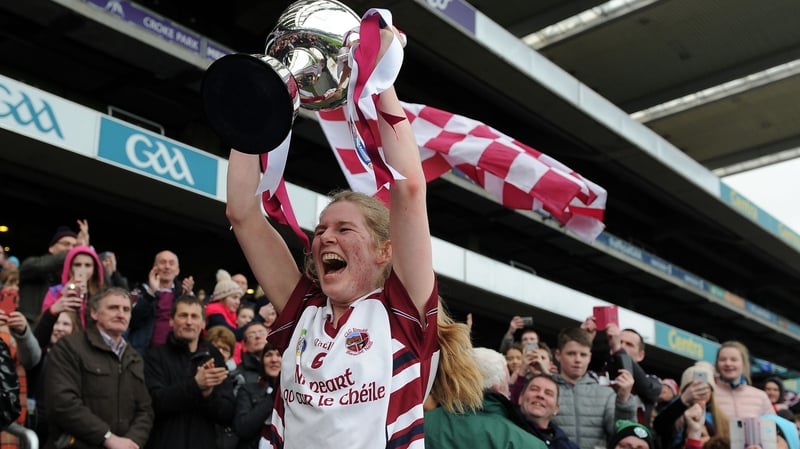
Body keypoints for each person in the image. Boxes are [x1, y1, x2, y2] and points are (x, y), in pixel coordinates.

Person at [226, 25, 439, 449]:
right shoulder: (303, 310)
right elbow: (242, 213)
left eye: (344, 229)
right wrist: (255, 107)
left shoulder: (403, 313)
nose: (324, 238)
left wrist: (381, 80)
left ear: (385, 250)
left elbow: (409, 187)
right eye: (321, 229)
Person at [44, 287, 153, 449]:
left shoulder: (134, 357)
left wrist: (132, 442)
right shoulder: (69, 347)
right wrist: (107, 438)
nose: (121, 314)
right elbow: (63, 403)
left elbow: (145, 410)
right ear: (94, 313)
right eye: (113, 308)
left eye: (126, 310)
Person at [143, 295, 235, 449]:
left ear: (203, 322)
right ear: (171, 321)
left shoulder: (214, 357)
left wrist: (208, 396)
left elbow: (227, 414)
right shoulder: (155, 356)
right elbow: (155, 404)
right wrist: (196, 384)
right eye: (183, 315)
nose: (189, 322)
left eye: (194, 316)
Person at [550, 327, 636, 449]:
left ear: (590, 357)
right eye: (571, 353)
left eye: (583, 355)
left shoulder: (605, 394)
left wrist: (623, 400)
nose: (578, 360)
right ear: (558, 355)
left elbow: (620, 433)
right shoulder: (545, 390)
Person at [583, 317, 663, 426]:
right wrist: (583, 340)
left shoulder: (652, 381)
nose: (622, 347)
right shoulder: (594, 377)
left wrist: (618, 349)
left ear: (641, 355)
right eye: (620, 342)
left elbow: (649, 391)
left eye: (629, 344)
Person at [128, 250, 195, 354]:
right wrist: (150, 293)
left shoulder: (185, 293)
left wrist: (188, 297)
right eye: (163, 262)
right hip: (144, 354)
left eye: (171, 263)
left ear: (177, 270)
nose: (167, 266)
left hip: (177, 353)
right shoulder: (139, 291)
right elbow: (130, 320)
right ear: (155, 267)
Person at [19, 222, 87, 321]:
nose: (70, 249)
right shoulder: (32, 265)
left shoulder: (76, 275)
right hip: (31, 326)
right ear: (51, 248)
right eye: (66, 244)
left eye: (74, 246)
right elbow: (43, 265)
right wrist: (79, 249)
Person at [652, 362, 729, 449]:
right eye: (692, 386)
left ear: (711, 392)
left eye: (705, 387)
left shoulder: (719, 419)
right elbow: (659, 426)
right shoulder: (674, 410)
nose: (699, 390)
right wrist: (683, 400)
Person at [40, 245, 105, 330]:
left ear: (94, 269)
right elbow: (44, 323)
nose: (82, 269)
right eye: (77, 265)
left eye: (88, 265)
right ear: (69, 267)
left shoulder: (102, 294)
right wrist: (62, 296)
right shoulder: (55, 291)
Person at [233, 342, 282, 449]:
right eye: (268, 355)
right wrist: (273, 397)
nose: (274, 360)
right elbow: (242, 428)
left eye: (279, 355)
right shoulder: (247, 389)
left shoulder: (294, 394)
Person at [517, 374, 579, 449]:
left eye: (548, 393)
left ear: (556, 409)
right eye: (534, 389)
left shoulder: (567, 445)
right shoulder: (506, 435)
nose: (540, 395)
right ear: (520, 398)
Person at [714, 340, 772, 418]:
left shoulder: (761, 397)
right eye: (723, 359)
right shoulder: (708, 392)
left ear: (744, 363)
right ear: (717, 364)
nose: (728, 363)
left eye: (733, 359)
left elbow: (772, 427)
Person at [205, 270, 245, 336]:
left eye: (239, 298)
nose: (238, 302)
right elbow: (233, 334)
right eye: (234, 297)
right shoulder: (215, 316)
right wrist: (258, 319)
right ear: (222, 298)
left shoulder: (231, 314)